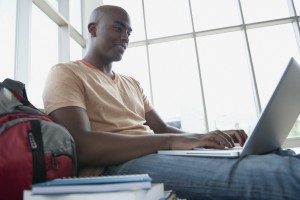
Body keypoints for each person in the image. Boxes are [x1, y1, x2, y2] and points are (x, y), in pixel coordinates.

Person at [43, 5, 300, 200]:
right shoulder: (66, 73)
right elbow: (82, 145)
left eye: (129, 32)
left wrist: (207, 137)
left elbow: (164, 130)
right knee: (279, 174)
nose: (125, 37)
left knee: (280, 156)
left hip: (153, 153)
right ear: (92, 29)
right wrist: (169, 142)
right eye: (118, 28)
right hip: (113, 166)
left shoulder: (132, 83)